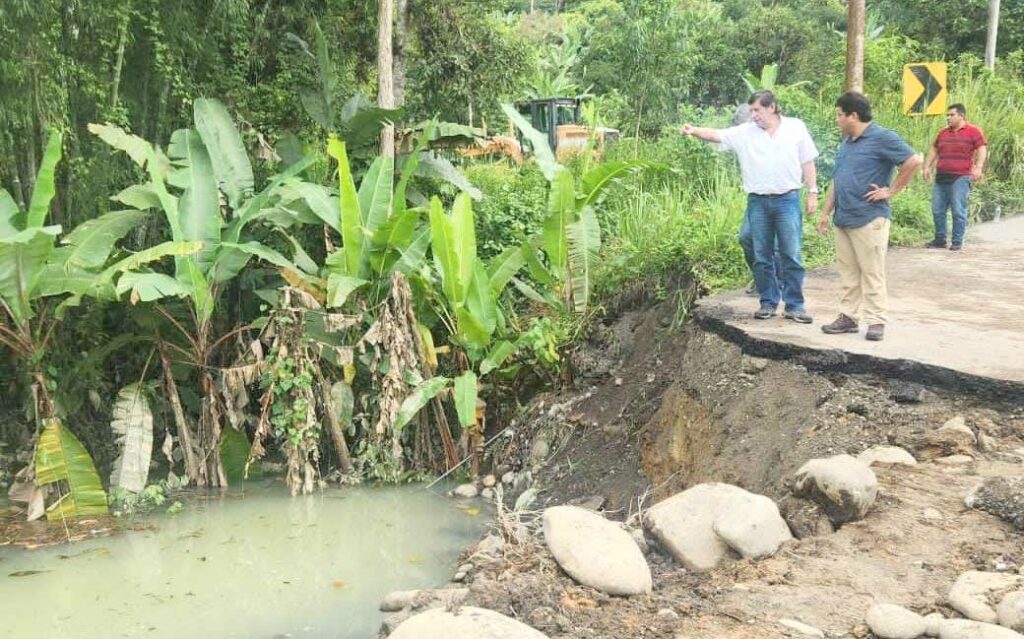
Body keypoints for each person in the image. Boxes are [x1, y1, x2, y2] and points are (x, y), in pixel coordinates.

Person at [682, 90, 819, 323]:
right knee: (761, 254)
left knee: (791, 253)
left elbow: (807, 160)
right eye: (752, 110)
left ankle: (795, 305)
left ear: (771, 107)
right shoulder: (745, 132)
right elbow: (717, 135)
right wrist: (693, 130)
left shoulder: (795, 127)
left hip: (787, 199)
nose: (753, 115)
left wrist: (813, 192)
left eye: (757, 110)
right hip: (758, 201)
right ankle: (768, 302)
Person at [817, 92, 922, 342]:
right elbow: (838, 180)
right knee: (848, 272)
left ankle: (876, 321)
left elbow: (914, 160)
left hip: (869, 218)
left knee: (872, 272)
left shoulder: (882, 137)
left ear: (853, 115)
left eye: (840, 115)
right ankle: (848, 317)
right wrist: (826, 212)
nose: (837, 120)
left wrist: (891, 190)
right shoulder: (847, 143)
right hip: (844, 217)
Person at [922, 103, 987, 251]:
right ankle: (940, 240)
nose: (948, 118)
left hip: (961, 177)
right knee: (937, 210)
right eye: (947, 115)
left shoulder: (973, 131)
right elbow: (934, 149)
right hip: (941, 177)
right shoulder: (943, 133)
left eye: (952, 115)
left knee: (958, 211)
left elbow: (982, 148)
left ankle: (957, 242)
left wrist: (978, 167)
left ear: (961, 116)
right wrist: (926, 167)